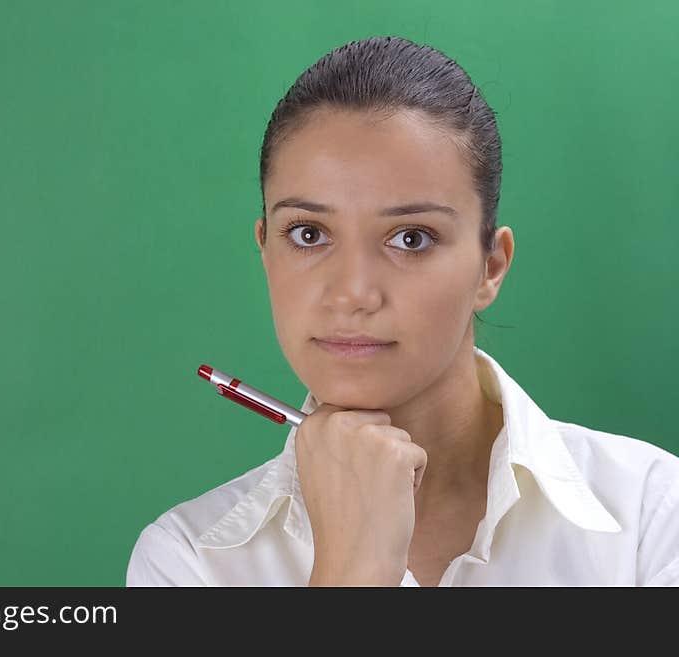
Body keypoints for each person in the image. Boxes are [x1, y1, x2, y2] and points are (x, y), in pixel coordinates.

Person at [126, 36, 679, 586]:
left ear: (490, 267)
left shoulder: (653, 516)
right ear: (266, 250)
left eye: (411, 238)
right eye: (309, 233)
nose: (353, 293)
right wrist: (352, 571)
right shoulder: (188, 564)